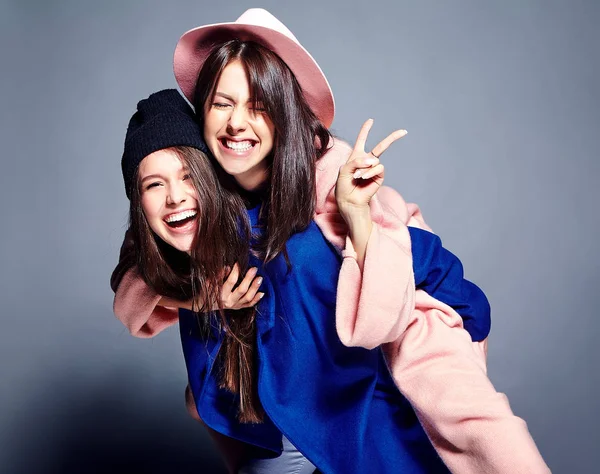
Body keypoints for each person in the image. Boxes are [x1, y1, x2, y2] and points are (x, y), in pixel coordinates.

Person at [112, 9, 550, 474]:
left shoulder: (328, 190)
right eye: (222, 104)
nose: (238, 123)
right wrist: (201, 298)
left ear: (282, 114)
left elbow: (425, 266)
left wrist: (359, 217)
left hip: (361, 408)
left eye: (258, 105)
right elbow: (139, 278)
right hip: (273, 426)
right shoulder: (196, 192)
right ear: (203, 113)